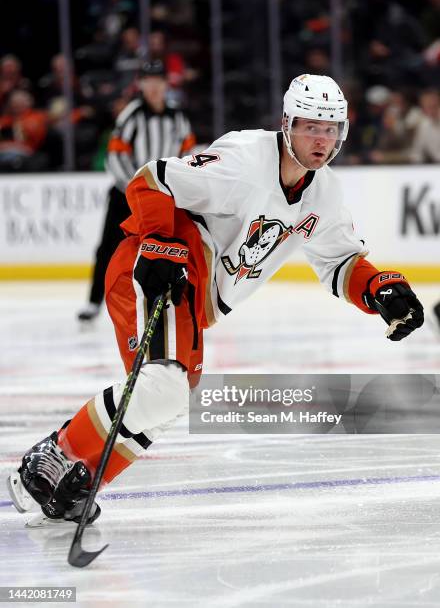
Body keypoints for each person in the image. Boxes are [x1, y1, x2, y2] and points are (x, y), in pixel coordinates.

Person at [8, 74, 424, 526]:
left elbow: (341, 261)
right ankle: (53, 455)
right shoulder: (244, 159)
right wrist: (160, 243)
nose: (321, 139)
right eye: (311, 126)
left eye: (331, 129)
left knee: (170, 399)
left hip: (194, 296)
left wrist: (380, 287)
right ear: (286, 123)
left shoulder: (324, 193)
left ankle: (79, 484)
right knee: (165, 386)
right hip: (156, 272)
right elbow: (151, 181)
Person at [77, 60, 196, 322]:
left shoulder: (177, 117)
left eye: (158, 81)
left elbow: (188, 154)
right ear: (140, 84)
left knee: (171, 247)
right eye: (148, 81)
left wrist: (177, 186)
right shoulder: (131, 114)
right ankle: (94, 301)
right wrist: (135, 188)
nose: (153, 87)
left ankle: (177, 302)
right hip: (126, 194)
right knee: (108, 248)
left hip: (166, 196)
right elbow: (115, 156)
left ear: (166, 83)